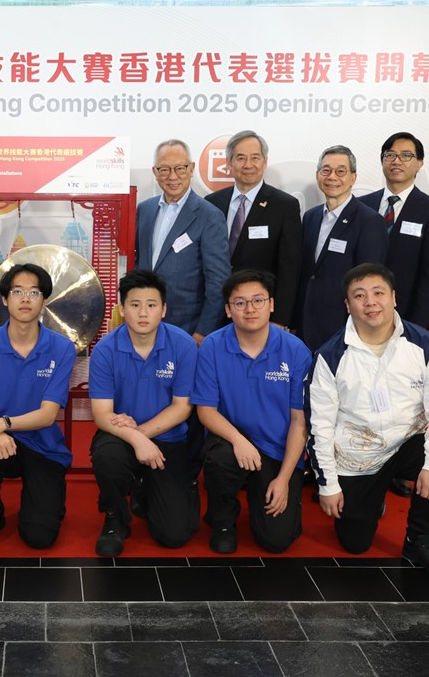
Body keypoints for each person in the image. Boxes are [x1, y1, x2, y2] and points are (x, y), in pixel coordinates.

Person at [308, 263, 429, 581]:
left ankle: (420, 540)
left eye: (378, 293)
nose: (370, 302)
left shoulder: (424, 344)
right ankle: (373, 498)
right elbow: (318, 426)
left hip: (409, 442)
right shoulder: (329, 356)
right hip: (359, 456)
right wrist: (328, 485)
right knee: (355, 543)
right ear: (347, 305)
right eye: (359, 296)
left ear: (393, 297)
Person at [192, 269, 313, 554]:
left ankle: (270, 492)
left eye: (258, 300)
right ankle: (222, 522)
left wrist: (284, 479)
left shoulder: (296, 351)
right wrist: (238, 440)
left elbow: (299, 422)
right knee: (220, 459)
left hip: (276, 450)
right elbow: (206, 411)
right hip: (232, 442)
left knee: (277, 540)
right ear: (228, 309)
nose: (250, 309)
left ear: (271, 304)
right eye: (240, 302)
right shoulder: (212, 346)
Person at [357, 132, 429, 498]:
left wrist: (416, 325)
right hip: (363, 320)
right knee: (363, 391)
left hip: (406, 321)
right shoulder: (363, 204)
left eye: (406, 155)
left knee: (400, 398)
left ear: (419, 163)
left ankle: (395, 467)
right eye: (390, 154)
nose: (397, 161)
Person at [0, 263, 75, 550]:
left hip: (43, 445)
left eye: (34, 292)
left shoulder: (62, 348)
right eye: (17, 292)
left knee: (39, 537)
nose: (25, 299)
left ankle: (47, 500)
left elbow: (48, 415)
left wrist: (2, 423)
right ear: (4, 299)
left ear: (44, 300)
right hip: (1, 444)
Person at [89, 269, 199, 557]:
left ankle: (144, 489)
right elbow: (102, 414)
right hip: (120, 436)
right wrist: (135, 439)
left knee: (174, 535)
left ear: (163, 309)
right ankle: (115, 518)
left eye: (151, 305)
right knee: (107, 456)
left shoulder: (183, 345)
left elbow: (182, 407)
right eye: (134, 304)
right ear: (122, 309)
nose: (142, 313)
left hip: (167, 438)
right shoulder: (104, 350)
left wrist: (142, 434)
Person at [135, 139, 230, 345]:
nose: (172, 176)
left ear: (191, 169)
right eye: (164, 169)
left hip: (188, 329)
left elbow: (218, 281)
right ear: (155, 172)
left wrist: (204, 331)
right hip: (144, 326)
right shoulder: (144, 209)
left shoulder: (209, 215)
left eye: (180, 168)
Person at [206, 130, 303, 328]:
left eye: (255, 158)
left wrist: (280, 319)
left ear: (265, 162)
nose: (248, 165)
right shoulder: (212, 203)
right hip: (214, 310)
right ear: (229, 163)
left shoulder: (285, 206)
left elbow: (290, 269)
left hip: (259, 312)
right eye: (241, 158)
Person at [296, 145, 387, 352]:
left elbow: (369, 281)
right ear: (318, 175)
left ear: (353, 178)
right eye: (326, 170)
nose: (332, 177)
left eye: (340, 171)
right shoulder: (310, 217)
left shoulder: (369, 221)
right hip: (306, 322)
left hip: (344, 325)